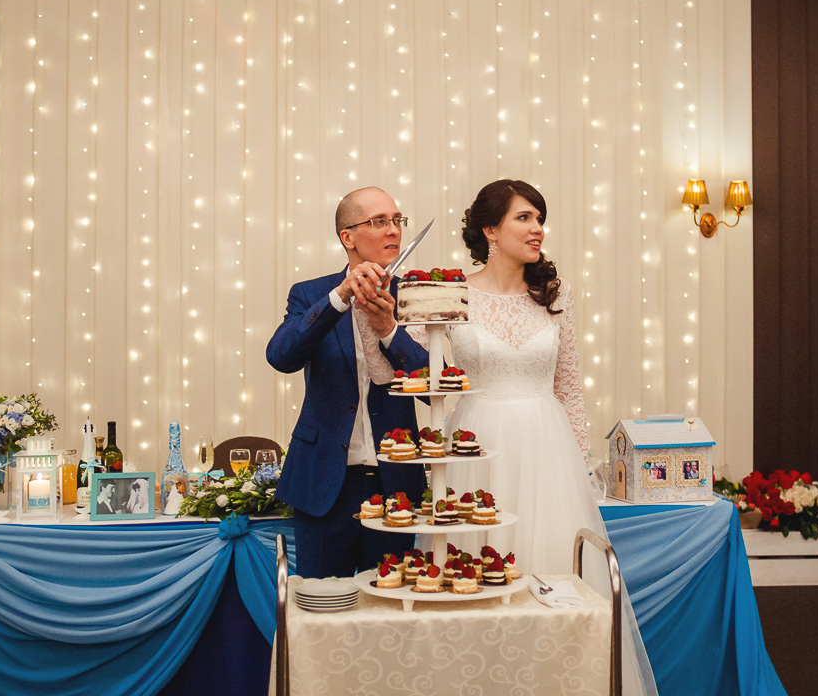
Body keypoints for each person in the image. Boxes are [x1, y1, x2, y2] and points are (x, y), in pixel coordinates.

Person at [364, 179, 656, 695]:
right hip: (478, 448)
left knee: (554, 581)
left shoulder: (556, 295)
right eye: (524, 217)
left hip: (548, 453)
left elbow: (569, 388)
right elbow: (399, 369)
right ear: (490, 231)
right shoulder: (453, 291)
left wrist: (581, 466)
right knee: (472, 579)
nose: (537, 228)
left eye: (540, 218)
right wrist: (382, 324)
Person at [267, 186, 429, 578]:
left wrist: (389, 330)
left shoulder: (414, 294)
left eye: (397, 220)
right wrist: (339, 298)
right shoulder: (310, 294)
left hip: (395, 484)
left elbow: (432, 383)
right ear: (348, 237)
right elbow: (281, 356)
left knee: (391, 603)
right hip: (324, 483)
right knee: (322, 601)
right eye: (379, 221)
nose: (393, 230)